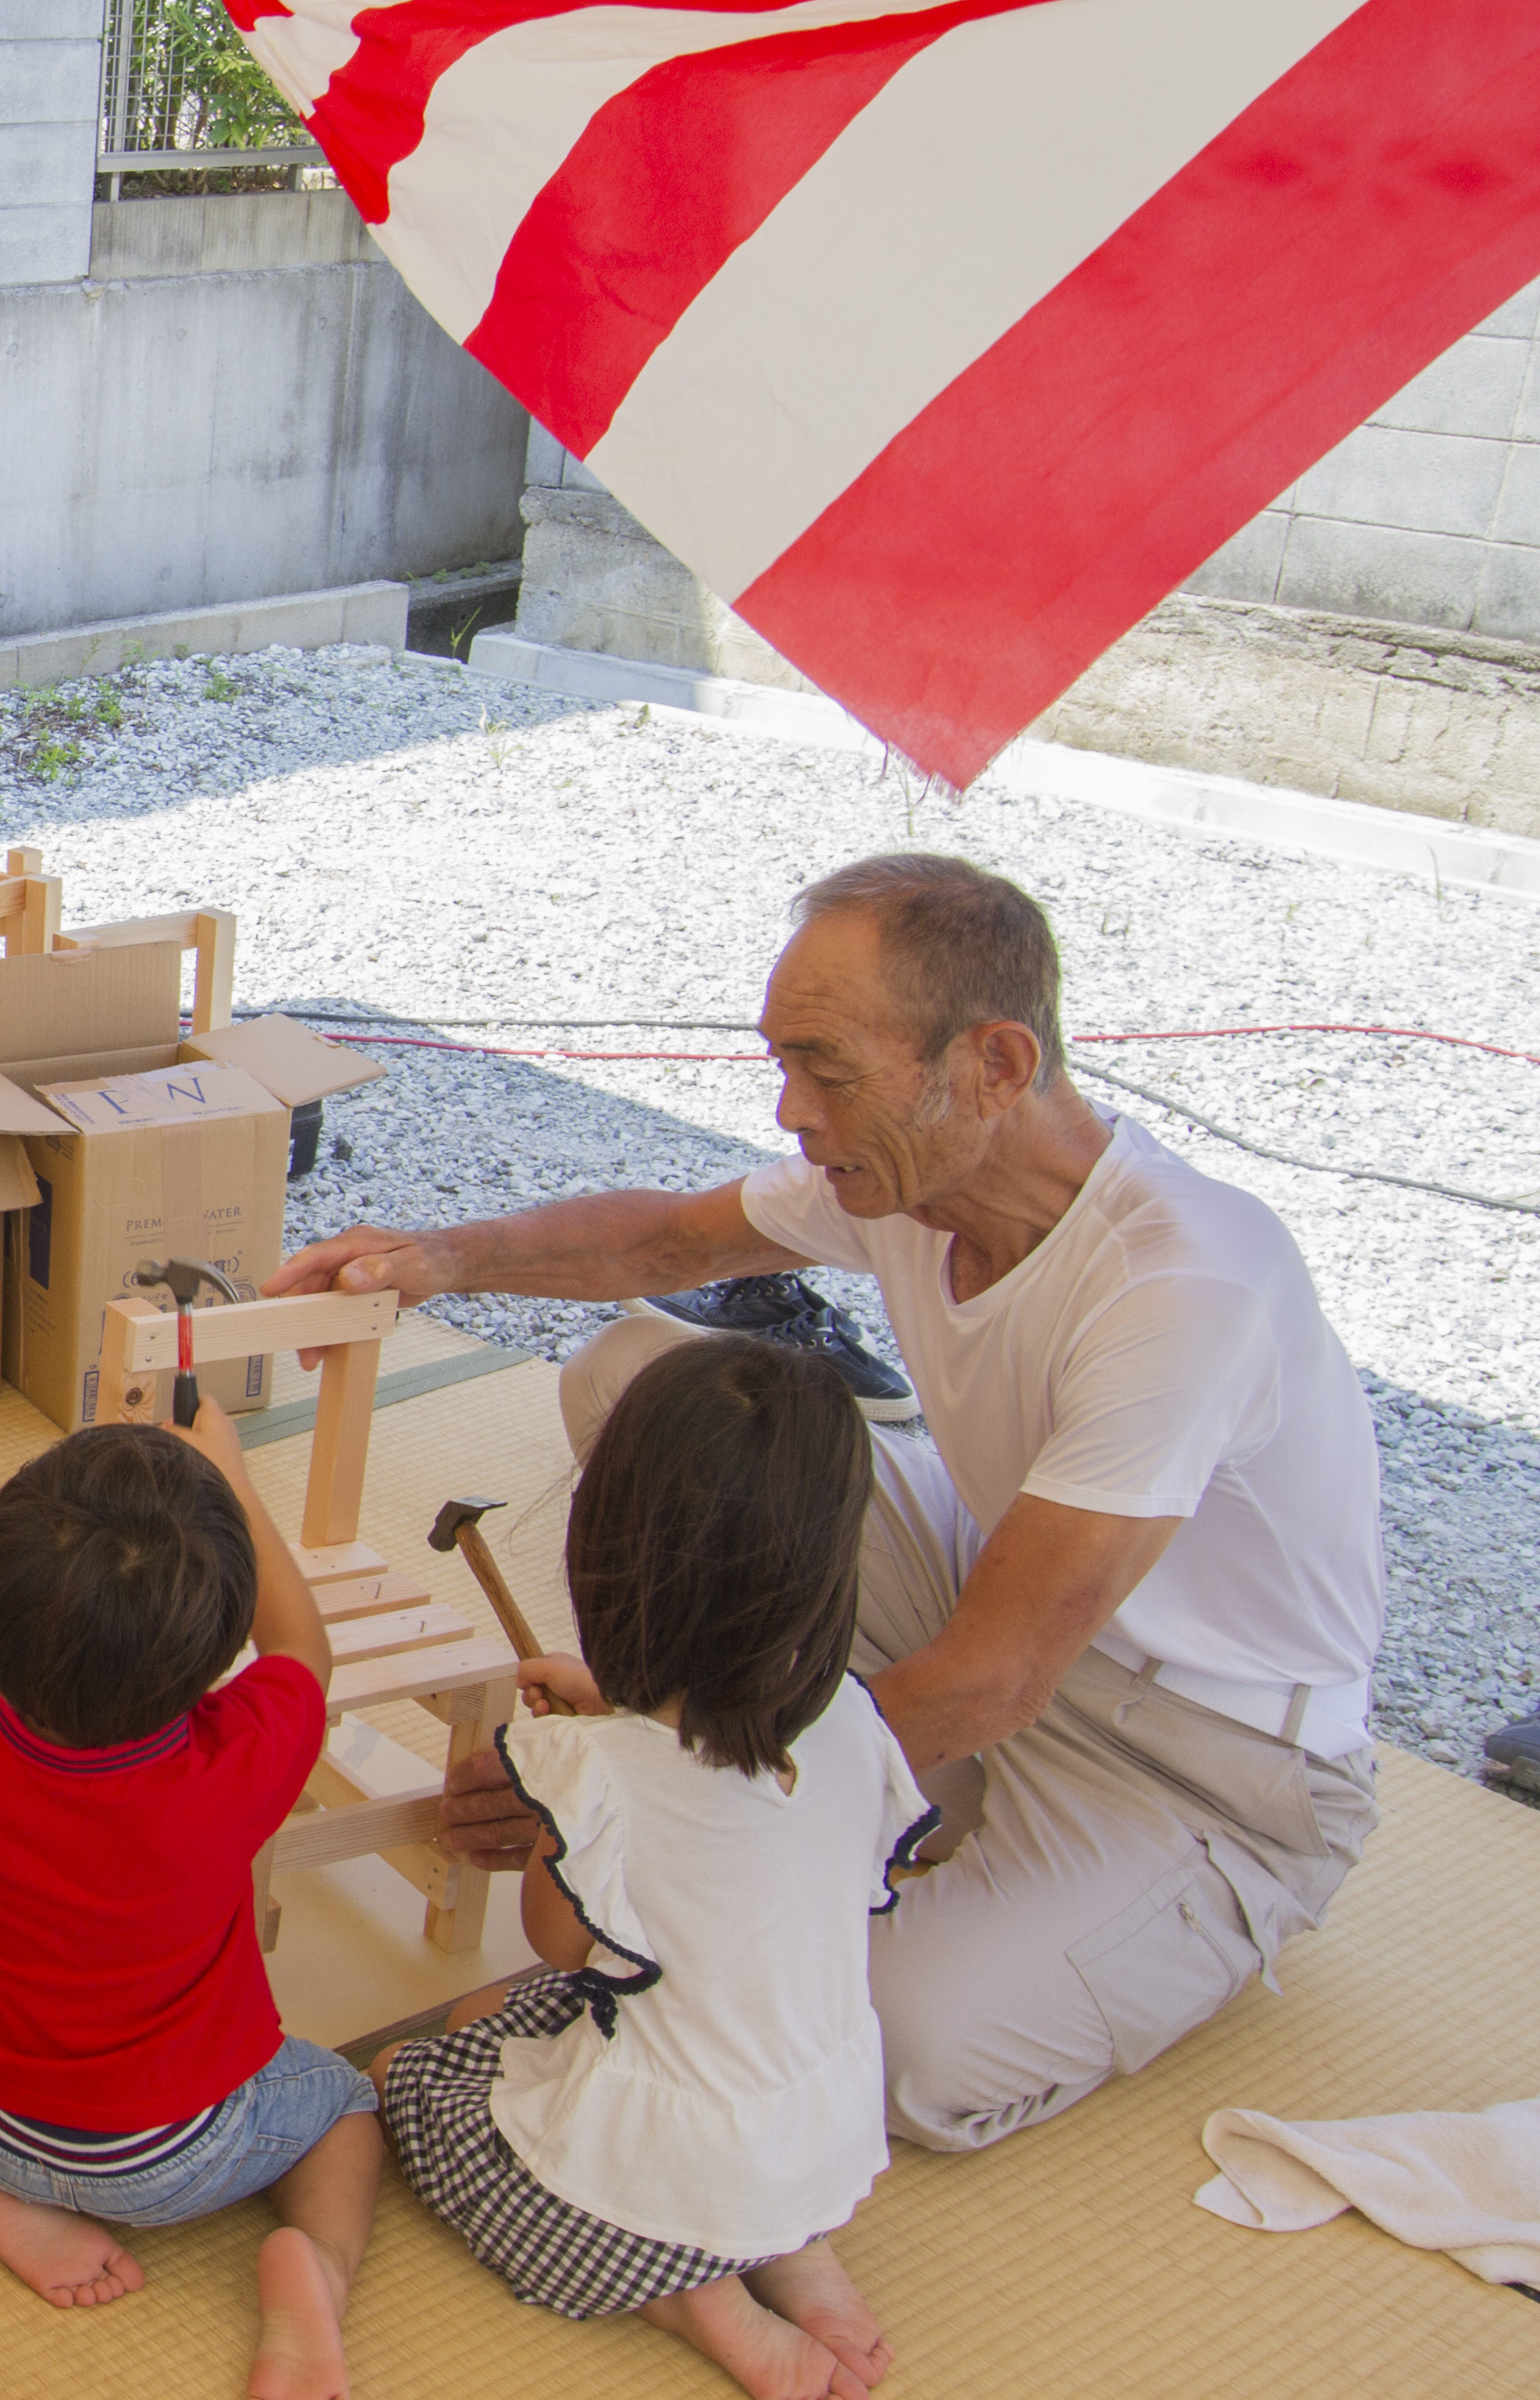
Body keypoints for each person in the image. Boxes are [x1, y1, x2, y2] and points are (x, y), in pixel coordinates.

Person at [272, 852, 1384, 2151]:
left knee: (897, 2051)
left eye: (827, 1070)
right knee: (645, 1382)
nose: (790, 1110)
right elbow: (664, 1245)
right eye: (779, 1062)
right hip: (987, 1594)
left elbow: (992, 1681)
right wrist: (431, 1260)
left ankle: (966, 1823)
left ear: (995, 1066)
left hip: (1190, 1763)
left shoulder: (1181, 1286)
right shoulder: (910, 1178)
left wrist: (621, 1789)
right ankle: (839, 1777)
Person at [372, 1335, 932, 2400]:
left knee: (419, 2070)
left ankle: (695, 2295)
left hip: (666, 2171)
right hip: (819, 2126)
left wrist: (570, 1790)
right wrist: (615, 1719)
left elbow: (559, 1940)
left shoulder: (601, 1770)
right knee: (528, 2015)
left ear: (607, 1548)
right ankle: (787, 2246)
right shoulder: (857, 1721)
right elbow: (724, 1814)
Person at [0, 1396, 383, 2400]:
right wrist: (236, 1480)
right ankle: (319, 2282)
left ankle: (1, 2186)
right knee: (347, 2103)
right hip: (169, 2157)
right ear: (211, 1662)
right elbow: (303, 1652)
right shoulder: (228, 1768)